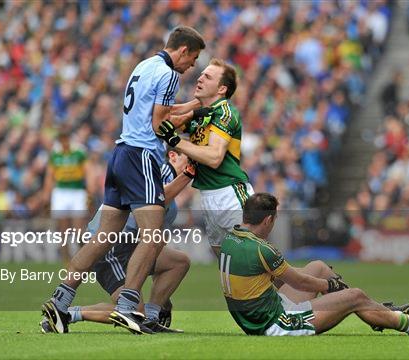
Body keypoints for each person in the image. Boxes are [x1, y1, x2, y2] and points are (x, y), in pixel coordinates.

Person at [42, 26, 206, 335]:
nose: (192, 66)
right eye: (194, 58)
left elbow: (155, 112)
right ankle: (128, 307)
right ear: (183, 50)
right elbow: (160, 124)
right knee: (153, 234)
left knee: (102, 237)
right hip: (141, 155)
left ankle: (59, 301)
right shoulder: (169, 74)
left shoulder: (143, 66)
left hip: (119, 154)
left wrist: (194, 107)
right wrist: (186, 128)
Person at [219, 193, 409, 336]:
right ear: (268, 220)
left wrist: (327, 284)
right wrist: (331, 287)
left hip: (262, 314)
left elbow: (283, 276)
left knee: (318, 266)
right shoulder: (262, 249)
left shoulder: (231, 239)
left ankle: (378, 312)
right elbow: (298, 281)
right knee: (354, 296)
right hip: (276, 323)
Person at [41, 149, 195, 334]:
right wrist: (188, 174)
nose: (193, 163)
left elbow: (154, 242)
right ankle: (69, 314)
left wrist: (163, 301)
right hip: (109, 248)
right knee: (134, 312)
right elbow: (156, 199)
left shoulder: (172, 205)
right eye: (189, 158)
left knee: (179, 262)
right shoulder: (158, 171)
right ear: (172, 156)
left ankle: (151, 318)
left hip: (128, 247)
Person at [157, 58, 253, 256]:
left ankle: (315, 278)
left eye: (208, 77)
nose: (200, 78)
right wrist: (193, 107)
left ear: (221, 89)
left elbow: (214, 157)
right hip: (208, 197)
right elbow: (162, 120)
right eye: (201, 74)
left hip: (230, 195)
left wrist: (176, 142)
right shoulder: (201, 114)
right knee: (228, 271)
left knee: (252, 266)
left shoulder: (225, 112)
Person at [43, 130, 90, 265]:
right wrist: (46, 195)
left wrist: (89, 191)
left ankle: (85, 259)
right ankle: (67, 262)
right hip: (61, 192)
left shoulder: (79, 152)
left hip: (77, 192)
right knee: (63, 231)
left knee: (79, 231)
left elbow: (87, 171)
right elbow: (50, 176)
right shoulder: (55, 154)